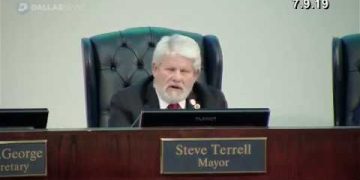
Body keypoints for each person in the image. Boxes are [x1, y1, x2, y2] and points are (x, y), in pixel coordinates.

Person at [109, 34, 227, 127]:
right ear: (155, 69)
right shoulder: (126, 103)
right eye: (170, 70)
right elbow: (119, 152)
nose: (177, 78)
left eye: (184, 71)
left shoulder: (213, 102)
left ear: (195, 75)